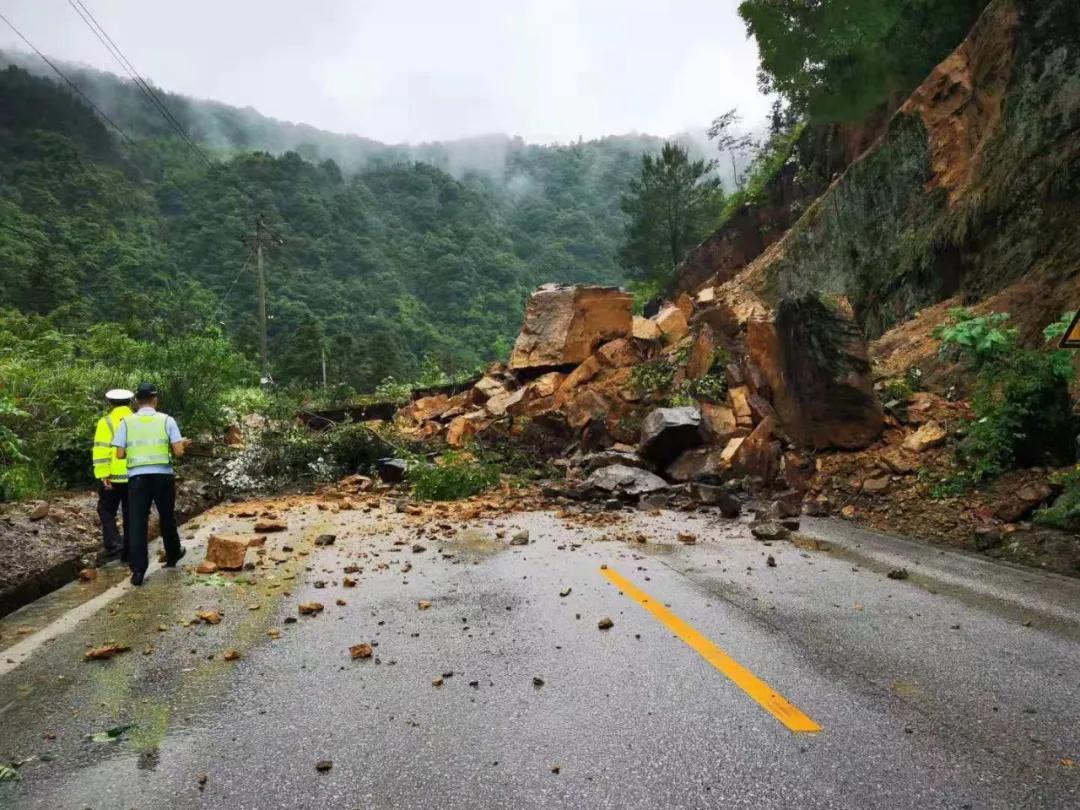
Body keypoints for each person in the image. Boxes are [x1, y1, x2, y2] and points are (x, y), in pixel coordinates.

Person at [112, 382, 191, 585]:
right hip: (163, 476)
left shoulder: (126, 423)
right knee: (167, 517)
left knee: (137, 522)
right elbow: (179, 452)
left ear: (136, 401)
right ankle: (173, 555)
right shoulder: (167, 420)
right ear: (155, 399)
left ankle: (138, 571)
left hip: (137, 479)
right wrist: (182, 443)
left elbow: (119, 454)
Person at [92, 389, 134, 560]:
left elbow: (101, 450)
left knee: (106, 510)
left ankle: (115, 546)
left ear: (110, 403)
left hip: (114, 477)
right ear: (131, 402)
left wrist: (103, 475)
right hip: (135, 474)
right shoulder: (138, 420)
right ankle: (131, 548)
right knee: (131, 512)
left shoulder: (106, 422)